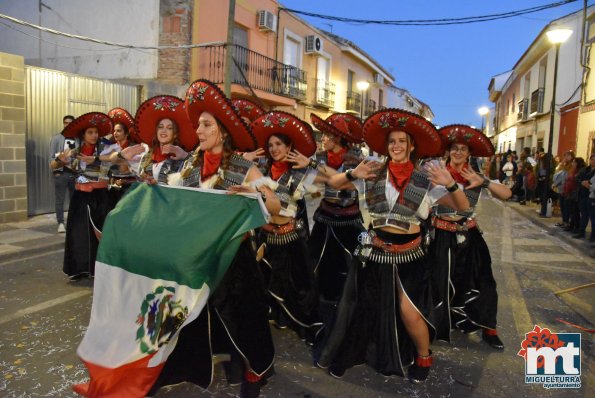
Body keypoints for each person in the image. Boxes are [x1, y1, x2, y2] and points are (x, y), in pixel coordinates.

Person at [316, 109, 470, 383]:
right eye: (392, 142)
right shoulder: (373, 172)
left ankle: (424, 355)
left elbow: (463, 208)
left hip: (410, 254)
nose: (396, 146)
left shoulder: (425, 179)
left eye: (402, 141)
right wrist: (353, 173)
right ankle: (353, 353)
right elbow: (334, 183)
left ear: (412, 146)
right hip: (375, 251)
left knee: (409, 312)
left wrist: (452, 184)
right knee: (362, 306)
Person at [150, 80, 280, 398]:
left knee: (244, 323)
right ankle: (163, 373)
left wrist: (255, 191)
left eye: (206, 124)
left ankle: (252, 378)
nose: (200, 130)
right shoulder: (191, 166)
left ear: (221, 130)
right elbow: (173, 198)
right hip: (198, 259)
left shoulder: (243, 167)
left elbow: (275, 207)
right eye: (198, 125)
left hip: (235, 261)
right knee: (181, 318)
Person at [429, 125, 511, 351]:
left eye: (462, 149)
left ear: (468, 153)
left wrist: (483, 182)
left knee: (484, 280)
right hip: (441, 235)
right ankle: (436, 325)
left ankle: (489, 328)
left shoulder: (474, 175)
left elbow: (507, 195)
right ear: (447, 151)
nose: (457, 152)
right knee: (440, 283)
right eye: (454, 148)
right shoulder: (436, 174)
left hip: (470, 234)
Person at [249, 110, 324, 345]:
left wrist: (312, 165)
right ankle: (277, 316)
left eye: (279, 144)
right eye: (270, 145)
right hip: (265, 235)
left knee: (300, 286)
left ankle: (303, 324)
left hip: (290, 237)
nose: (274, 149)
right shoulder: (260, 172)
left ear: (289, 146)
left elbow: (328, 184)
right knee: (264, 281)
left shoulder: (302, 174)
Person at [309, 112, 365, 302]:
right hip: (325, 215)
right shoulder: (320, 156)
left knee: (354, 260)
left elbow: (348, 184)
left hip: (350, 218)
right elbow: (315, 178)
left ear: (337, 137)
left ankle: (349, 298)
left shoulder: (356, 157)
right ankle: (324, 298)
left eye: (326, 135)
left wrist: (333, 179)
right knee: (318, 259)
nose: (322, 139)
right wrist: (337, 178)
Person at [60, 112, 114, 280]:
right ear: (83, 135)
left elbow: (114, 164)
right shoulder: (74, 152)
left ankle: (98, 269)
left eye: (96, 132)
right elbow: (55, 163)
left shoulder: (106, 150)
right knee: (78, 233)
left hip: (101, 196)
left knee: (98, 234)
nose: (94, 135)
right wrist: (60, 161)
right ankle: (79, 268)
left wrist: (95, 159)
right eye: (90, 132)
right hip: (80, 197)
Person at [116, 95, 196, 184]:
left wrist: (185, 156)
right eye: (160, 127)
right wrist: (122, 156)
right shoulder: (147, 157)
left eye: (169, 128)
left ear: (175, 134)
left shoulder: (182, 158)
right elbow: (139, 181)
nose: (164, 131)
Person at [49, 115, 76, 233]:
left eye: (70, 122)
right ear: (63, 123)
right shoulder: (56, 138)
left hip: (74, 173)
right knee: (59, 199)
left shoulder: (77, 138)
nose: (68, 124)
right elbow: (51, 156)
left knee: (75, 199)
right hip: (61, 173)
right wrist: (56, 171)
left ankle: (73, 222)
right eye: (66, 122)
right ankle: (60, 222)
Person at [574, 154, 595, 239]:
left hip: (592, 195)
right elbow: (577, 179)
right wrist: (582, 182)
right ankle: (581, 232)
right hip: (583, 194)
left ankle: (593, 236)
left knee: (592, 217)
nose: (593, 161)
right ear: (589, 160)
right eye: (592, 159)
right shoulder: (585, 169)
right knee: (583, 215)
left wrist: (589, 184)